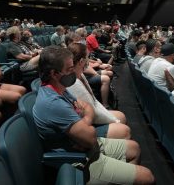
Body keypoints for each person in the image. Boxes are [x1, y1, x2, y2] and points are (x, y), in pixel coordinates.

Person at [33, 46, 155, 184]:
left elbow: (87, 107)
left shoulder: (59, 87)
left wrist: (84, 119)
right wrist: (84, 117)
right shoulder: (53, 103)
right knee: (147, 176)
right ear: (54, 73)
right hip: (78, 158)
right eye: (69, 69)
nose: (73, 72)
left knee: (135, 148)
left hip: (85, 146)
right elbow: (90, 138)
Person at [66, 43, 130, 139]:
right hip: (86, 124)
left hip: (91, 116)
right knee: (124, 130)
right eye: (87, 57)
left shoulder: (79, 74)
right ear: (81, 61)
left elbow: (93, 103)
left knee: (121, 116)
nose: (89, 60)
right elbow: (91, 112)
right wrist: (113, 120)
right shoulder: (73, 83)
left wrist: (110, 116)